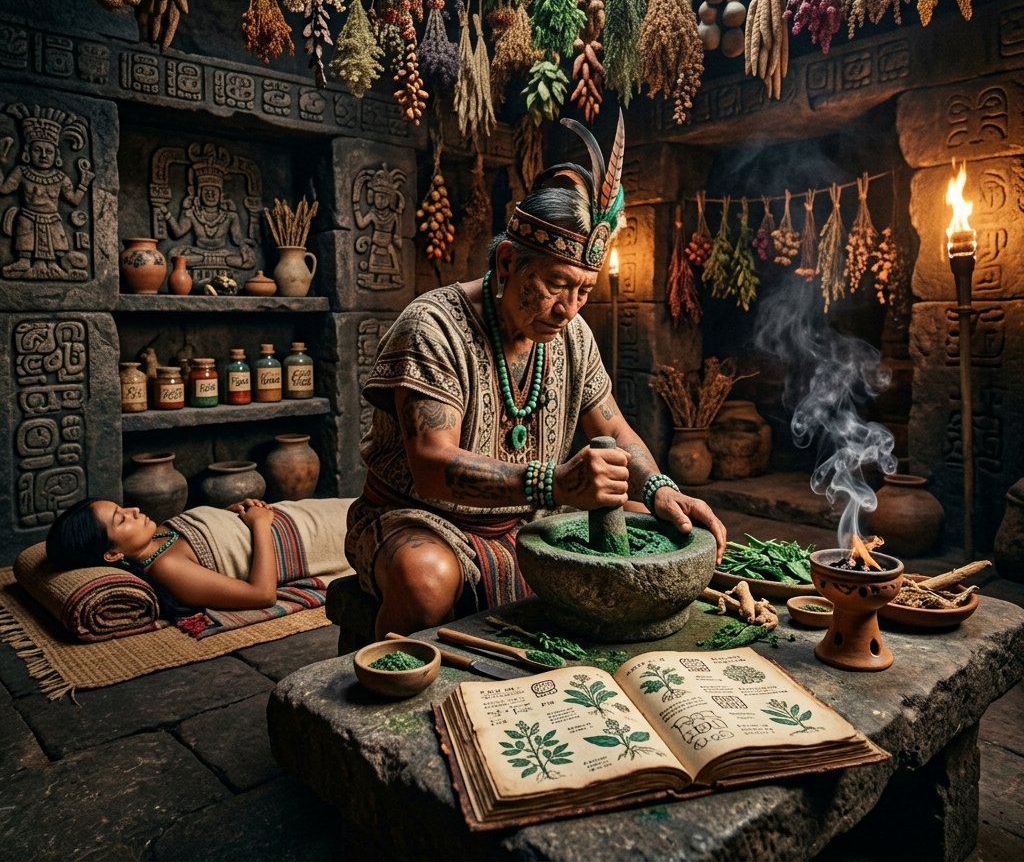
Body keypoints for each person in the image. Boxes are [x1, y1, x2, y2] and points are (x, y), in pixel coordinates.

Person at [346, 111, 727, 638]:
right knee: (426, 580)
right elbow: (433, 465)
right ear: (507, 263)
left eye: (584, 290)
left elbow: (613, 430)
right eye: (555, 284)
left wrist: (661, 487)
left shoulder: (572, 335)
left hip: (524, 519)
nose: (568, 309)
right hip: (417, 518)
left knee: (653, 531)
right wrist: (556, 483)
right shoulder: (433, 325)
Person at [46, 496, 352, 616]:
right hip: (308, 538)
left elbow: (214, 539)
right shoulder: (166, 568)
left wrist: (235, 513)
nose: (134, 510)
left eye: (122, 508)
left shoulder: (159, 533)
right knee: (385, 522)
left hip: (294, 513)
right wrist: (259, 525)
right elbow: (261, 595)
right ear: (112, 554)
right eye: (122, 519)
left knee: (367, 503)